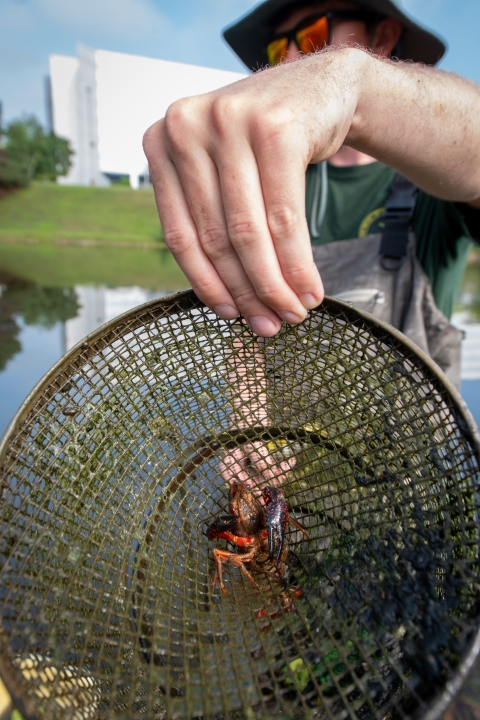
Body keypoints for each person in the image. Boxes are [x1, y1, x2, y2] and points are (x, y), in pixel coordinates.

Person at [143, 0, 480, 350]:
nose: (290, 58)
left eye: (312, 35)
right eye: (277, 47)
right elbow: (245, 338)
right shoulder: (253, 183)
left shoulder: (430, 183)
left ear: (384, 36)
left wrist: (357, 83)